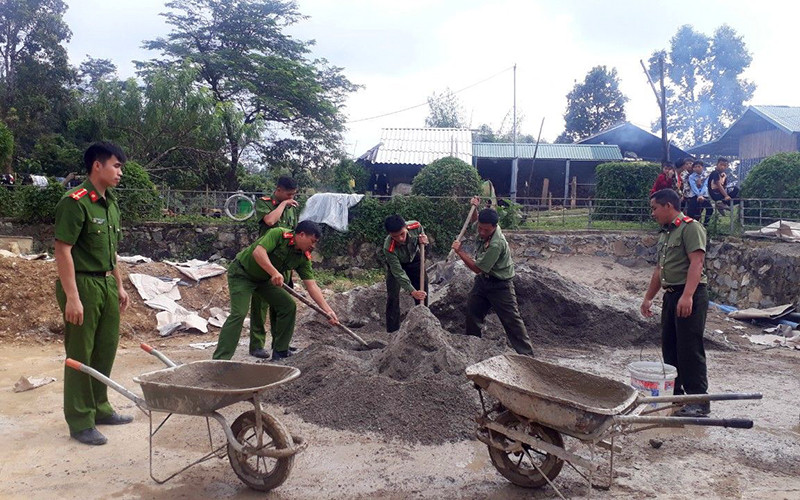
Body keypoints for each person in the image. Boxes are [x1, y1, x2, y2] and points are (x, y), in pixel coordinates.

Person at [54, 142, 132, 446]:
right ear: (97, 166)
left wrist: (120, 284)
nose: (120, 173)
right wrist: (72, 297)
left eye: (121, 167)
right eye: (116, 165)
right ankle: (80, 420)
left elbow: (112, 252)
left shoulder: (110, 204)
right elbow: (63, 250)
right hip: (82, 285)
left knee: (105, 349)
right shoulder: (75, 202)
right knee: (80, 354)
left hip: (106, 285)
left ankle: (100, 408)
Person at [212, 220, 339, 361]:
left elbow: (312, 286)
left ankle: (280, 353)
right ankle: (220, 360)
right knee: (239, 314)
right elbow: (258, 252)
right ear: (301, 235)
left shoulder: (303, 257)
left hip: (264, 280)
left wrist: (328, 311)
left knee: (288, 306)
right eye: (312, 241)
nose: (313, 246)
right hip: (242, 274)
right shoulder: (278, 234)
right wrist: (274, 272)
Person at [640, 189, 710, 417]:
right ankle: (677, 396)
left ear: (668, 205)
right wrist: (648, 297)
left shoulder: (691, 228)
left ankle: (698, 402)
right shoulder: (666, 234)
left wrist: (688, 295)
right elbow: (659, 270)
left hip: (689, 294)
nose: (653, 213)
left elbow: (696, 263)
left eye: (655, 208)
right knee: (669, 347)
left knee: (689, 348)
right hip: (671, 295)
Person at [451, 197, 534, 356]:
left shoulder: (496, 244)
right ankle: (473, 347)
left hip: (500, 285)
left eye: (486, 230)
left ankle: (527, 356)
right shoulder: (485, 226)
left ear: (494, 227)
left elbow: (477, 268)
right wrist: (474, 208)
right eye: (480, 229)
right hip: (483, 282)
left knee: (512, 321)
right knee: (472, 312)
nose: (481, 232)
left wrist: (460, 251)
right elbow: (476, 220)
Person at [249, 176, 300, 358]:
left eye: (293, 194)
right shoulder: (265, 203)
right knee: (260, 305)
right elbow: (270, 222)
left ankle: (280, 343)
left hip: (283, 262)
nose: (291, 197)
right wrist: (283, 205)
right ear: (278, 190)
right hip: (264, 261)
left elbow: (293, 233)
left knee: (281, 304)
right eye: (288, 194)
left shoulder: (292, 208)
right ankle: (256, 344)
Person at [383, 215, 429, 333]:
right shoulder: (389, 247)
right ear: (390, 235)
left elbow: (423, 244)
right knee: (393, 296)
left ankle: (423, 325)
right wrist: (412, 291)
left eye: (402, 234)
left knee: (423, 291)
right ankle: (392, 332)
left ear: (406, 228)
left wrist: (425, 242)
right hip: (397, 265)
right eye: (395, 236)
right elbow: (398, 272)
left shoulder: (416, 226)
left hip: (414, 259)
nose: (400, 239)